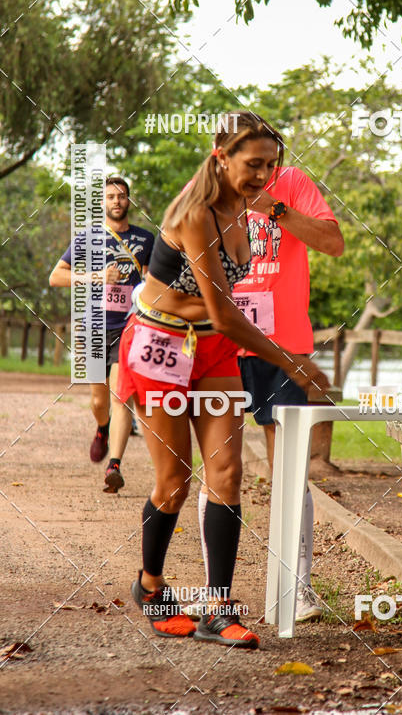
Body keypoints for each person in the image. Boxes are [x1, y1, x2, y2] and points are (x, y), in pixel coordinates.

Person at [116, 112, 329, 646]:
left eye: (271, 165)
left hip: (212, 350)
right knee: (175, 482)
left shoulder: (247, 208)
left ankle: (218, 606)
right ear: (221, 157)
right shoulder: (195, 212)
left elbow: (228, 314)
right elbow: (225, 308)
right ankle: (151, 585)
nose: (263, 175)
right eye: (253, 164)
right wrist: (291, 360)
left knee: (228, 473)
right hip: (160, 346)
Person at [197, 164, 344, 623]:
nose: (257, 166)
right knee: (221, 467)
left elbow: (332, 244)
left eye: (265, 157)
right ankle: (214, 593)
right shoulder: (206, 191)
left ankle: (296, 590)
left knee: (290, 471)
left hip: (284, 347)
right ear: (224, 156)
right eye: (246, 156)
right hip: (221, 342)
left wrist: (275, 209)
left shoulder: (293, 182)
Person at [49, 176, 154, 493]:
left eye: (122, 196)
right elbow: (56, 277)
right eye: (110, 196)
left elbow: (150, 278)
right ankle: (102, 427)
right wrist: (98, 277)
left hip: (129, 327)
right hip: (93, 326)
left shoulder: (146, 239)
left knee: (123, 395)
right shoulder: (88, 238)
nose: (117, 201)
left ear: (129, 201)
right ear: (103, 203)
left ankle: (115, 465)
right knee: (99, 399)